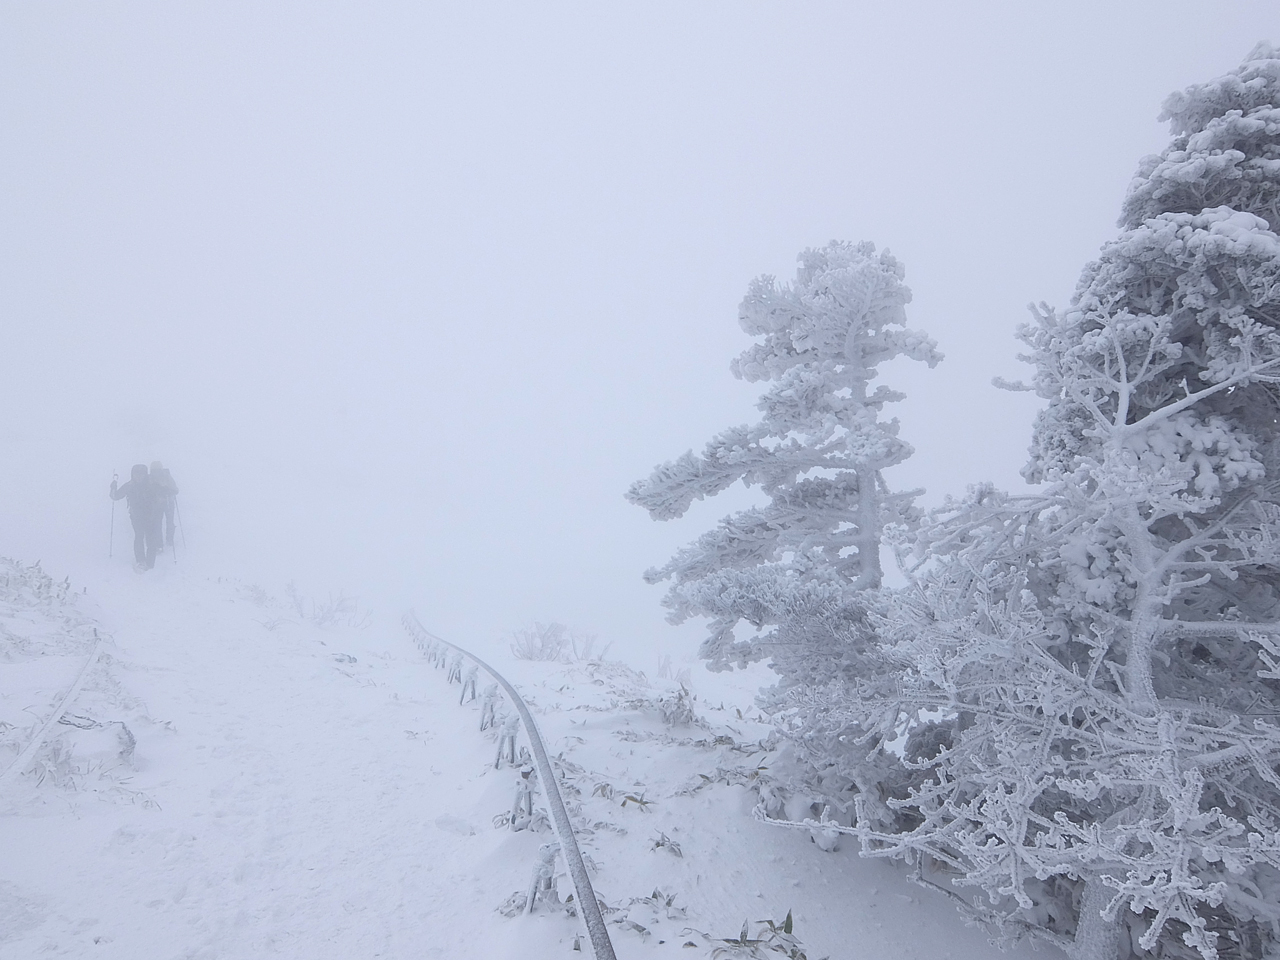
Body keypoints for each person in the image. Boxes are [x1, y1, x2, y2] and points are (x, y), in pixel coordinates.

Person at [110, 464, 163, 571]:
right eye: (136, 474)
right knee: (139, 537)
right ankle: (141, 561)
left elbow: (162, 495)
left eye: (141, 474)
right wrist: (113, 487)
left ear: (145, 474)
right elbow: (115, 496)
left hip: (151, 516)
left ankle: (150, 564)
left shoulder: (152, 484)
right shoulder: (130, 485)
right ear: (132, 474)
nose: (138, 477)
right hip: (136, 517)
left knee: (150, 540)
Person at [149, 461, 179, 550]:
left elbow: (176, 490)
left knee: (169, 521)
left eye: (157, 470)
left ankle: (169, 539)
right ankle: (159, 544)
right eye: (154, 470)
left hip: (168, 502)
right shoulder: (150, 478)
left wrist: (168, 491)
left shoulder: (167, 477)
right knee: (157, 523)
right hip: (157, 504)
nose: (156, 472)